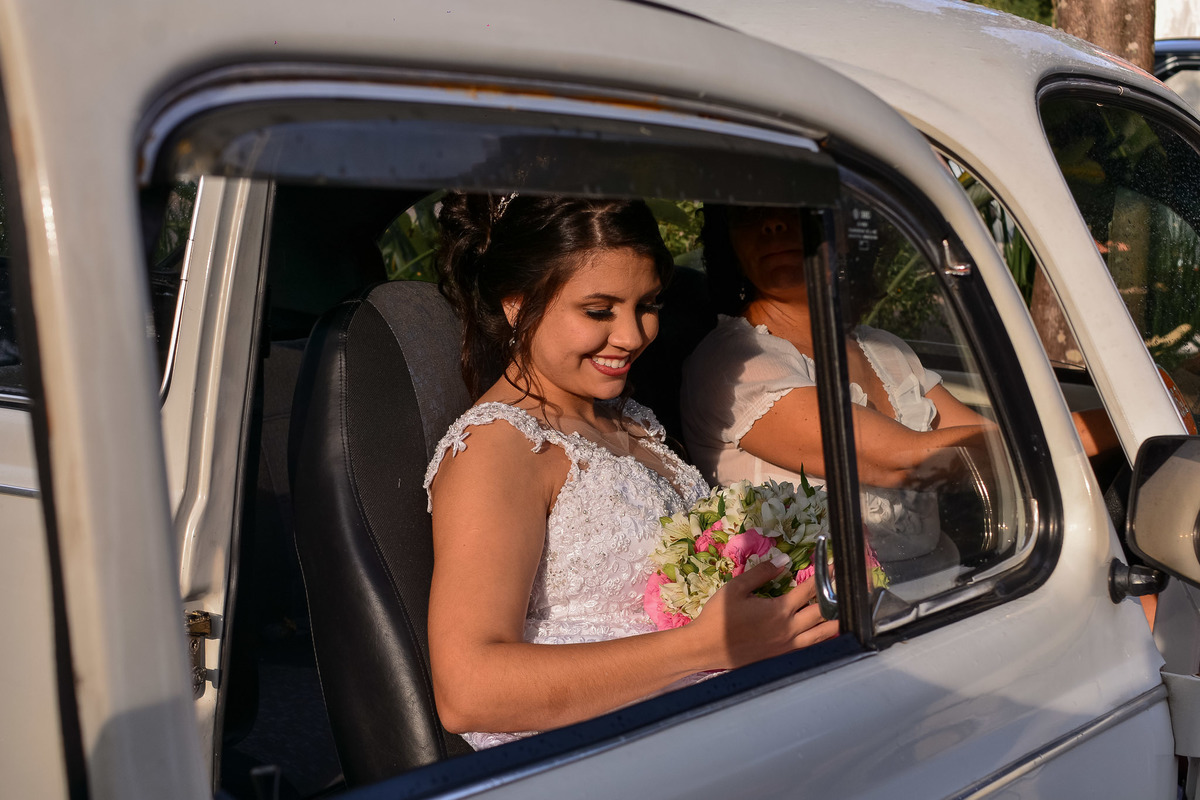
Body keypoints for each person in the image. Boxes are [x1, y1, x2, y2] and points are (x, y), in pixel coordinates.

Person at [423, 193, 839, 751]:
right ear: (517, 305)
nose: (634, 335)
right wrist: (703, 648)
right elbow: (467, 691)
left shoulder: (631, 421)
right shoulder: (499, 450)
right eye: (599, 311)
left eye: (648, 304)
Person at [681, 205, 1117, 567]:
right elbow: (906, 461)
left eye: (798, 208)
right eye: (748, 214)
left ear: (848, 231)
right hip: (831, 624)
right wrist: (1114, 427)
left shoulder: (884, 348)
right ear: (730, 244)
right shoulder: (735, 364)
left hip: (945, 589)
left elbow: (988, 445)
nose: (773, 224)